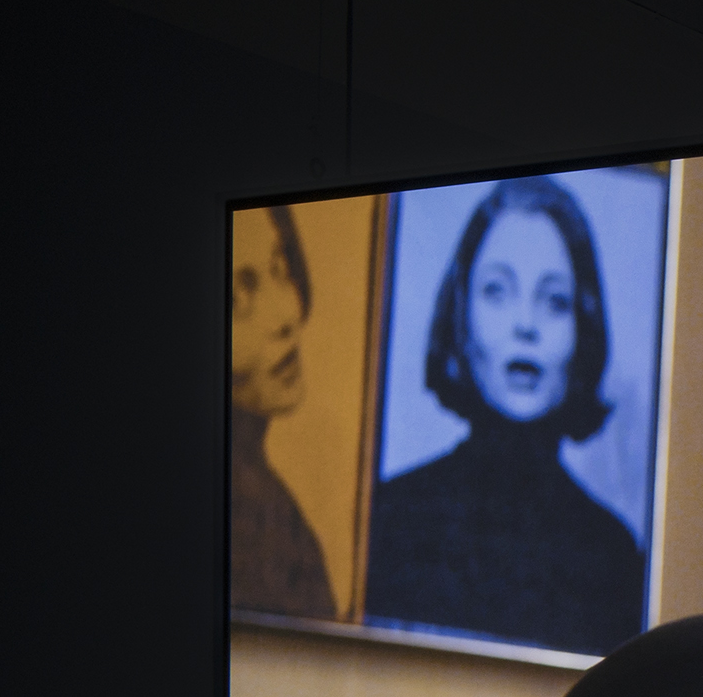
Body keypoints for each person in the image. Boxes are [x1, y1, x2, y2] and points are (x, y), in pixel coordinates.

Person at [365, 176, 647, 655]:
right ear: (461, 312)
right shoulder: (392, 518)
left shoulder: (612, 555)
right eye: (498, 291)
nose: (526, 325)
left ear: (583, 324)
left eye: (555, 301)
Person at [228, 204, 339, 618]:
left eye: (280, 268)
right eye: (236, 299)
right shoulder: (243, 515)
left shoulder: (265, 499)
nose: (288, 314)